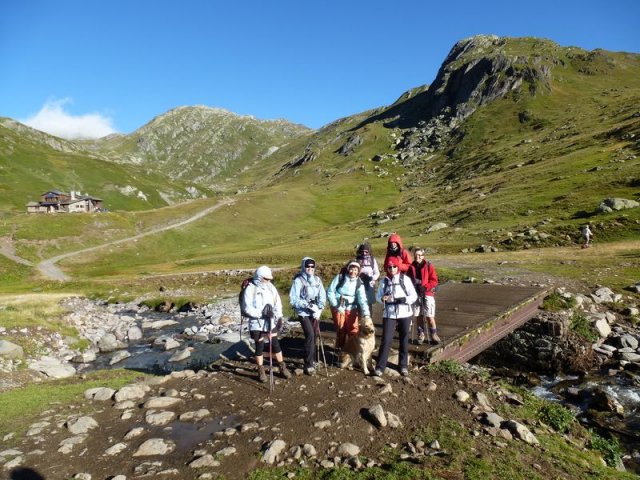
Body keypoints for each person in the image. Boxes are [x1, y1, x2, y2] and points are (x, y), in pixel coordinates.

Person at [242, 265, 292, 383]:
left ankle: (282, 367)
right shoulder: (250, 289)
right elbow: (246, 308)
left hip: (270, 321)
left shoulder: (271, 287)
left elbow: (277, 303)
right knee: (259, 346)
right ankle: (261, 369)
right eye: (266, 279)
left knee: (275, 344)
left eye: (269, 279)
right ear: (259, 277)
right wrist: (261, 313)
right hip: (256, 322)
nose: (268, 281)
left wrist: (279, 316)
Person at [374, 256, 418, 377]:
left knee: (404, 339)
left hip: (405, 313)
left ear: (398, 267)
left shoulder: (405, 279)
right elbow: (378, 297)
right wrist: (382, 299)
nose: (392, 269)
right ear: (387, 268)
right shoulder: (384, 281)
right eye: (389, 267)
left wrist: (405, 299)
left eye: (394, 266)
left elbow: (414, 296)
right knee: (386, 339)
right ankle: (380, 367)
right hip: (389, 313)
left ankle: (403, 366)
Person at [289, 257, 327, 375]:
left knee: (314, 335)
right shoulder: (298, 280)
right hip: (303, 312)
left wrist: (319, 308)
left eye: (312, 266)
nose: (310, 268)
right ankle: (308, 364)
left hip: (315, 312)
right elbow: (293, 300)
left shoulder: (317, 280)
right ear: (303, 266)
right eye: (307, 266)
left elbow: (322, 295)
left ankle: (312, 359)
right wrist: (309, 305)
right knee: (310, 334)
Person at [326, 260, 371, 358]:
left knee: (353, 330)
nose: (353, 272)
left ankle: (352, 350)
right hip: (339, 306)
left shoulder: (359, 282)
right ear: (348, 269)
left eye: (355, 270)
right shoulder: (340, 277)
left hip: (352, 307)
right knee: (341, 329)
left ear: (358, 271)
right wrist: (336, 305)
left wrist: (367, 314)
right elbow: (330, 291)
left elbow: (362, 299)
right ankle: (340, 351)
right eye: (351, 269)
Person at [408, 247, 440, 344]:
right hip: (415, 293)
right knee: (418, 315)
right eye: (415, 255)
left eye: (419, 255)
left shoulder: (429, 266)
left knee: (429, 315)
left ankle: (434, 334)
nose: (417, 257)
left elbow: (434, 281)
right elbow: (408, 280)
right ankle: (421, 334)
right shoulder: (411, 267)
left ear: (423, 256)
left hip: (427, 293)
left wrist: (425, 287)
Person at [356, 242, 380, 310]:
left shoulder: (372, 260)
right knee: (359, 302)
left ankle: (369, 316)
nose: (364, 253)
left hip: (370, 284)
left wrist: (372, 278)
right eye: (362, 251)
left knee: (369, 303)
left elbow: (377, 273)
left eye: (366, 252)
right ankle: (359, 315)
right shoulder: (357, 260)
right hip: (359, 284)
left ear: (369, 251)